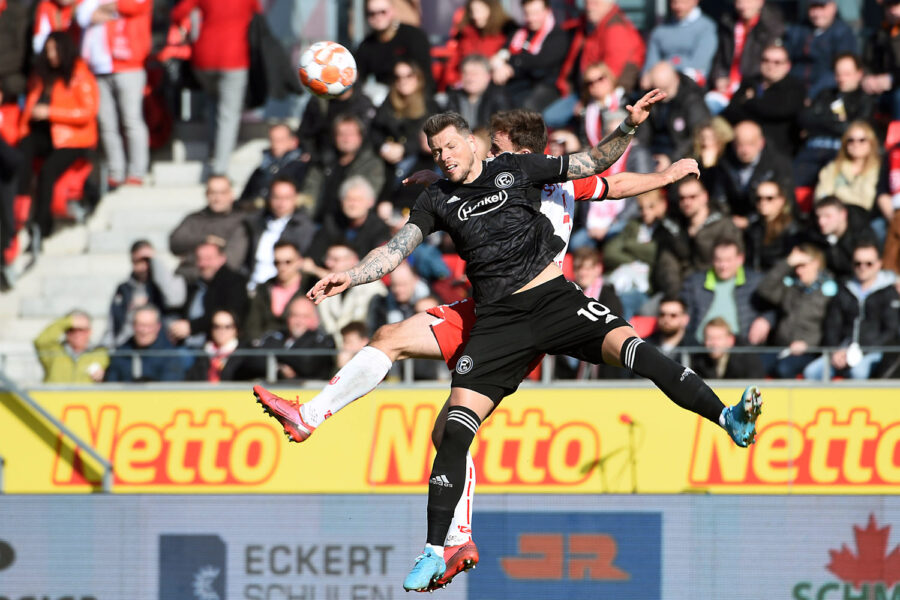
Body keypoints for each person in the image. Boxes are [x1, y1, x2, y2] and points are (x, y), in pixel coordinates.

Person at [261, 103, 763, 591]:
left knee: (638, 350)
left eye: (455, 146)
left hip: (554, 300)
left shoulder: (528, 171)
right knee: (447, 427)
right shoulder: (440, 195)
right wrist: (352, 274)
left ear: (488, 145)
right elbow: (397, 247)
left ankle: (727, 419)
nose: (446, 156)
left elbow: (602, 172)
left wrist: (643, 147)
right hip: (493, 318)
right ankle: (440, 547)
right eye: (438, 151)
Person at [16, 32, 98, 250]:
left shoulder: (80, 74)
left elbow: (87, 111)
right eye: (48, 50)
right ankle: (20, 206)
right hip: (47, 135)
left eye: (55, 49)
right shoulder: (42, 75)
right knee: (23, 148)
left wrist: (51, 112)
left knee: (47, 172)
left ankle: (42, 227)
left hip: (73, 138)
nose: (51, 55)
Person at [169, 0, 261, 178]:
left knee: (213, 101)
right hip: (235, 58)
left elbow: (178, 13)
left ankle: (214, 148)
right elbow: (257, 13)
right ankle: (220, 169)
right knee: (228, 114)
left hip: (204, 58)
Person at [76, 0, 152, 188]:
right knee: (107, 124)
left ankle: (137, 172)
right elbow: (81, 15)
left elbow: (134, 5)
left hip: (128, 65)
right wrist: (106, 8)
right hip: (97, 67)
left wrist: (106, 7)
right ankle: (116, 172)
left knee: (131, 120)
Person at [803, 242, 899, 380]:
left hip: (873, 352)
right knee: (812, 372)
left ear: (879, 264)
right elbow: (832, 325)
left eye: (868, 263)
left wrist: (859, 352)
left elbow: (890, 331)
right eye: (857, 263)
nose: (862, 268)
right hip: (842, 351)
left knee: (858, 373)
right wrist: (834, 351)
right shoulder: (844, 289)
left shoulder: (889, 292)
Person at [544, 0, 645, 128]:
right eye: (587, 2)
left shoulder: (616, 30)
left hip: (599, 96)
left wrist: (585, 102)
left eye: (595, 3)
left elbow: (610, 78)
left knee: (549, 118)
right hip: (581, 90)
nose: (589, 6)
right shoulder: (589, 26)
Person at [755, 244, 836, 378]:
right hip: (781, 348)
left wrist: (809, 344)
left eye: (803, 265)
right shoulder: (792, 288)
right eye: (796, 267)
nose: (798, 271)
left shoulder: (829, 292)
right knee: (756, 366)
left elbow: (831, 327)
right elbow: (765, 289)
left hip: (809, 351)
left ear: (816, 263)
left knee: (784, 369)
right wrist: (787, 263)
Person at [794, 53, 875, 187]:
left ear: (859, 74)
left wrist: (823, 120)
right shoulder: (825, 94)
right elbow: (804, 118)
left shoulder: (865, 100)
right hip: (812, 150)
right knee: (788, 186)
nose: (841, 78)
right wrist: (837, 121)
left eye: (847, 74)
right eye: (838, 74)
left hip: (842, 153)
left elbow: (853, 130)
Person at [654, 177, 740, 298]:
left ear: (705, 196)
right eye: (682, 198)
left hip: (715, 290)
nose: (687, 202)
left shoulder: (724, 226)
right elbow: (667, 265)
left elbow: (732, 262)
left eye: (692, 197)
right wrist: (677, 296)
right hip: (680, 292)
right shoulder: (673, 229)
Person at [680, 235, 774, 345]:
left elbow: (773, 307)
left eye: (728, 260)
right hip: (701, 347)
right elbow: (684, 312)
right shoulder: (695, 283)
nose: (723, 265)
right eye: (719, 260)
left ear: (740, 259)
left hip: (741, 349)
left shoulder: (756, 282)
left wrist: (766, 320)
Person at [371, 59, 440, 204]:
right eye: (398, 77)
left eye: (408, 76)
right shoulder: (388, 104)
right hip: (388, 163)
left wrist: (403, 148)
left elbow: (430, 137)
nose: (403, 81)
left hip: (419, 164)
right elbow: (374, 131)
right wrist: (384, 147)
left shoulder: (430, 105)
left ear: (418, 78)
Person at [720, 43, 805, 157]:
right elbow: (731, 111)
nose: (771, 66)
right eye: (766, 60)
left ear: (787, 66)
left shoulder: (795, 87)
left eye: (777, 62)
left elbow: (779, 110)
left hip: (776, 149)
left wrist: (749, 102)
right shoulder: (750, 82)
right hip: (740, 144)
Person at [301, 114, 386, 224]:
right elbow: (310, 191)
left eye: (351, 134)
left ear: (360, 137)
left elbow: (366, 197)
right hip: (316, 221)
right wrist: (307, 217)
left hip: (347, 223)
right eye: (341, 134)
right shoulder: (323, 162)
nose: (346, 139)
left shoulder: (372, 164)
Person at [705, 0, 785, 115]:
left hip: (751, 87)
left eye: (748, 1)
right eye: (739, 2)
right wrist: (719, 76)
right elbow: (720, 56)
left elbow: (770, 65)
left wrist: (750, 85)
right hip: (726, 86)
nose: (743, 6)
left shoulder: (771, 27)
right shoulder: (729, 23)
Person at [708, 120, 794, 227]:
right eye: (740, 145)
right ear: (734, 144)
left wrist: (749, 221)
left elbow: (786, 201)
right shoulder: (724, 164)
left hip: (768, 223)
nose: (745, 150)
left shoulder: (778, 165)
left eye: (750, 144)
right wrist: (730, 220)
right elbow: (719, 199)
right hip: (732, 223)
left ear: (761, 143)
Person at [556, 246, 623, 379]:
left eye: (587, 268)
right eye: (578, 268)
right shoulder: (568, 294)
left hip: (601, 365)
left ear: (598, 269)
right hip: (569, 358)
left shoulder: (609, 296)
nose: (582, 273)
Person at [168, 238, 249, 347]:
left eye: (209, 258)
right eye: (200, 259)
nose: (203, 264)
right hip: (187, 343)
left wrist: (192, 327)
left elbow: (230, 314)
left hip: (214, 347)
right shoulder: (196, 284)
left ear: (222, 258)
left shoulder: (233, 283)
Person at [105, 239, 186, 348]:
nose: (144, 266)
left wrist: (155, 263)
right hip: (128, 346)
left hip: (160, 346)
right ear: (132, 261)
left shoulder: (165, 283)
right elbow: (113, 323)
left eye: (147, 260)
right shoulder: (124, 289)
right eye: (139, 261)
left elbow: (175, 300)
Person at [490, 0, 569, 112]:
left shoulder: (557, 35)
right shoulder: (519, 33)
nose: (531, 18)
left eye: (536, 13)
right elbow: (503, 52)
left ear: (547, 11)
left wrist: (512, 65)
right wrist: (499, 64)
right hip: (518, 83)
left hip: (545, 86)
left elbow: (540, 62)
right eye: (527, 14)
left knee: (527, 109)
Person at [242, 176, 317, 291]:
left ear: (296, 198)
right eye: (277, 197)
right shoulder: (255, 222)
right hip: (251, 284)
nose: (281, 202)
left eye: (287, 198)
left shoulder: (304, 228)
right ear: (269, 198)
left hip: (281, 289)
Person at [603, 189, 668, 317]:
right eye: (641, 208)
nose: (645, 212)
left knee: (625, 300)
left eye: (651, 207)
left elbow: (655, 253)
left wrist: (629, 245)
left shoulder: (666, 227)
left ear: (661, 205)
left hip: (643, 287)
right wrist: (633, 260)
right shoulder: (633, 225)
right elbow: (610, 252)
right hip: (618, 276)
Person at [169, 175, 248, 280]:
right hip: (189, 279)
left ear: (231, 194)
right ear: (206, 194)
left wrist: (197, 261)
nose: (217, 198)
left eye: (222, 193)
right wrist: (205, 239)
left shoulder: (240, 221)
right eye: (212, 193)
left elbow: (233, 260)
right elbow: (175, 242)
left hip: (224, 281)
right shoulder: (195, 219)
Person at [354, 0, 434, 98]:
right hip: (386, 101)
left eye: (383, 12)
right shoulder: (366, 45)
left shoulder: (414, 36)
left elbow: (425, 75)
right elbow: (358, 78)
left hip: (418, 97)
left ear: (393, 11)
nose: (378, 17)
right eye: (372, 13)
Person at [641, 60, 710, 171]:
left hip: (681, 160)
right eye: (658, 90)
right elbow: (642, 136)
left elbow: (697, 137)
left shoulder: (692, 100)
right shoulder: (649, 100)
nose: (662, 95)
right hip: (652, 157)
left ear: (676, 79)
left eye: (666, 89)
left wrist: (670, 159)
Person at [248, 296, 336, 381]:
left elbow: (307, 365)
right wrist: (279, 369)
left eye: (304, 316)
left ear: (316, 319)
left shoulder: (323, 340)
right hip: (275, 391)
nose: (299, 321)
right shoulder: (275, 336)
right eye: (294, 315)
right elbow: (253, 361)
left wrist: (275, 356)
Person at [783, 0, 857, 99]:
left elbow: (839, 72)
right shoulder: (798, 29)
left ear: (833, 7)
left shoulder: (843, 34)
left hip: (825, 95)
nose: (817, 13)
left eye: (822, 7)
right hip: (793, 90)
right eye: (813, 7)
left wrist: (811, 94)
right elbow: (784, 58)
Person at [315, 242, 387, 342]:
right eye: (327, 258)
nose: (328, 263)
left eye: (335, 259)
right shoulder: (323, 287)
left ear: (353, 261)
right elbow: (326, 326)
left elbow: (373, 324)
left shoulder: (373, 287)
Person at [814, 121, 883, 221]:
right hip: (834, 220)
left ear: (871, 142)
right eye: (851, 140)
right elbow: (820, 197)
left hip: (866, 221)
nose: (856, 144)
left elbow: (865, 203)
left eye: (862, 140)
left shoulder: (878, 169)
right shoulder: (833, 167)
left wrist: (836, 193)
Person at [441, 0, 516, 90]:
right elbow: (454, 63)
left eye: (480, 10)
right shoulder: (466, 33)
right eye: (473, 11)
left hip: (493, 87)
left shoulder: (507, 32)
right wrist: (455, 82)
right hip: (466, 87)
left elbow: (513, 56)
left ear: (492, 9)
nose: (476, 16)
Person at [641, 0, 718, 86]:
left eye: (683, 2)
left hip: (692, 84)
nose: (678, 6)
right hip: (661, 80)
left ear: (695, 1)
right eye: (674, 2)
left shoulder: (706, 27)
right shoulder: (660, 31)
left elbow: (699, 64)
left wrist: (668, 66)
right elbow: (650, 64)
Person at [243, 240, 308, 343]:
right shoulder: (263, 289)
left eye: (288, 262)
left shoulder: (309, 287)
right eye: (277, 262)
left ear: (299, 262)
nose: (282, 267)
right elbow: (253, 324)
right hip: (266, 348)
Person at [105, 305, 187, 382]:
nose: (144, 331)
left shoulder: (169, 355)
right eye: (140, 325)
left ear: (158, 327)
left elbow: (170, 388)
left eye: (149, 326)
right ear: (133, 326)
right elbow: (112, 384)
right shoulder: (122, 353)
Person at [238, 124, 310, 210]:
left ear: (293, 142)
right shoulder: (261, 168)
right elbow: (245, 197)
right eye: (272, 140)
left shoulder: (302, 168)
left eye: (280, 140)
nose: (275, 144)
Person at [809, 195, 877, 280]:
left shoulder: (863, 235)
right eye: (818, 216)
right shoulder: (815, 235)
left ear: (843, 214)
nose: (821, 222)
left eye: (827, 216)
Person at [34, 310, 109, 383]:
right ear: (65, 331)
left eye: (81, 329)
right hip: (56, 395)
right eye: (71, 329)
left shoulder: (101, 354)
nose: (77, 334)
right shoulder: (53, 351)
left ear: (89, 331)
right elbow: (41, 341)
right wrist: (69, 321)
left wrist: (105, 376)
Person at [743, 180, 801, 272]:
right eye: (758, 198)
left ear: (781, 200)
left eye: (769, 198)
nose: (763, 202)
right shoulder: (754, 227)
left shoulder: (791, 229)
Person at [444, 54, 510, 131]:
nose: (469, 78)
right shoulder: (454, 97)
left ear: (488, 76)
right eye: (465, 73)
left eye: (475, 74)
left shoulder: (499, 97)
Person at [693, 317, 766, 379]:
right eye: (709, 338)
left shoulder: (747, 358)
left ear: (731, 340)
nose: (714, 343)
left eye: (718, 338)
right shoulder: (698, 360)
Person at [186, 309, 245, 382]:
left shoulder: (245, 353)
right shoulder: (202, 354)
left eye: (227, 326)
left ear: (236, 329)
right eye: (216, 326)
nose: (221, 330)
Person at [645, 296, 691, 360]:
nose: (666, 319)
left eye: (673, 315)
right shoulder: (644, 346)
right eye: (662, 314)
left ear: (685, 319)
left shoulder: (695, 350)